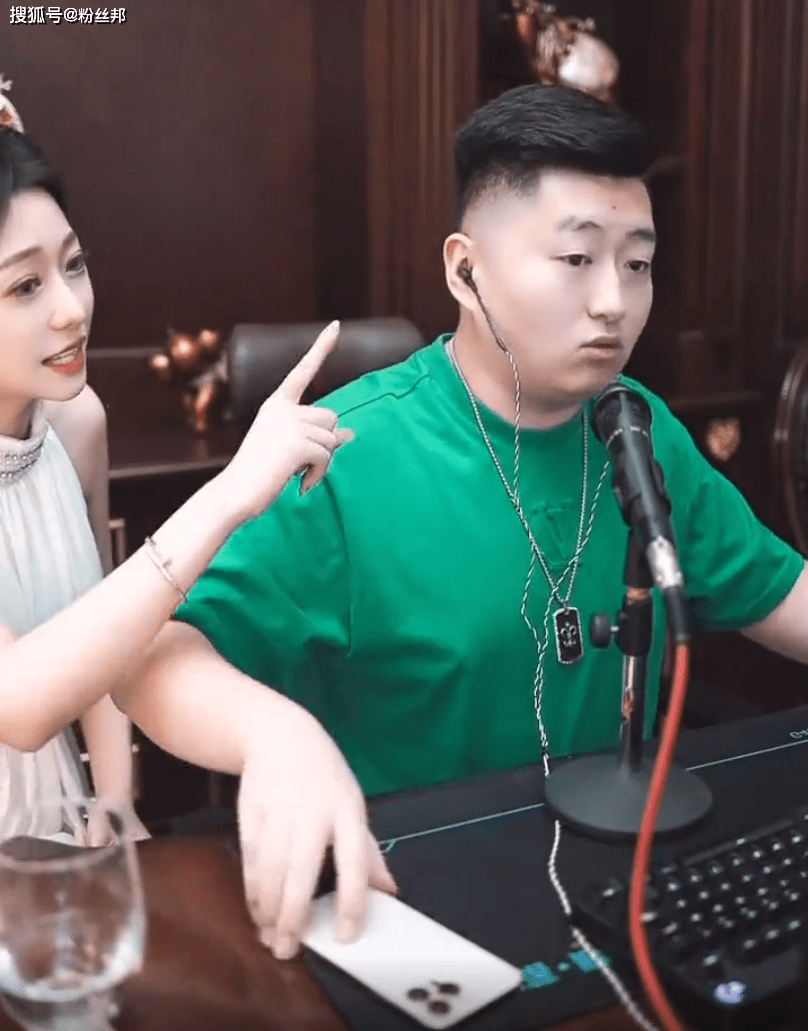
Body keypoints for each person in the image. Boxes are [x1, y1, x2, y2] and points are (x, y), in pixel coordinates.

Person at [115, 84, 807, 960]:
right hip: (412, 893)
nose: (614, 302)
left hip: (619, 875)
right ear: (464, 270)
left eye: (637, 264)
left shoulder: (638, 425)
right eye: (576, 258)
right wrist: (273, 737)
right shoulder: (346, 453)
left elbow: (779, 592)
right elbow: (150, 656)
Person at [0, 125, 353, 843]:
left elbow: (107, 626)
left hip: (52, 828)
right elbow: (21, 703)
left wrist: (114, 798)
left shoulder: (75, 424)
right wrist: (229, 493)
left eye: (74, 265)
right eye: (25, 285)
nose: (71, 308)